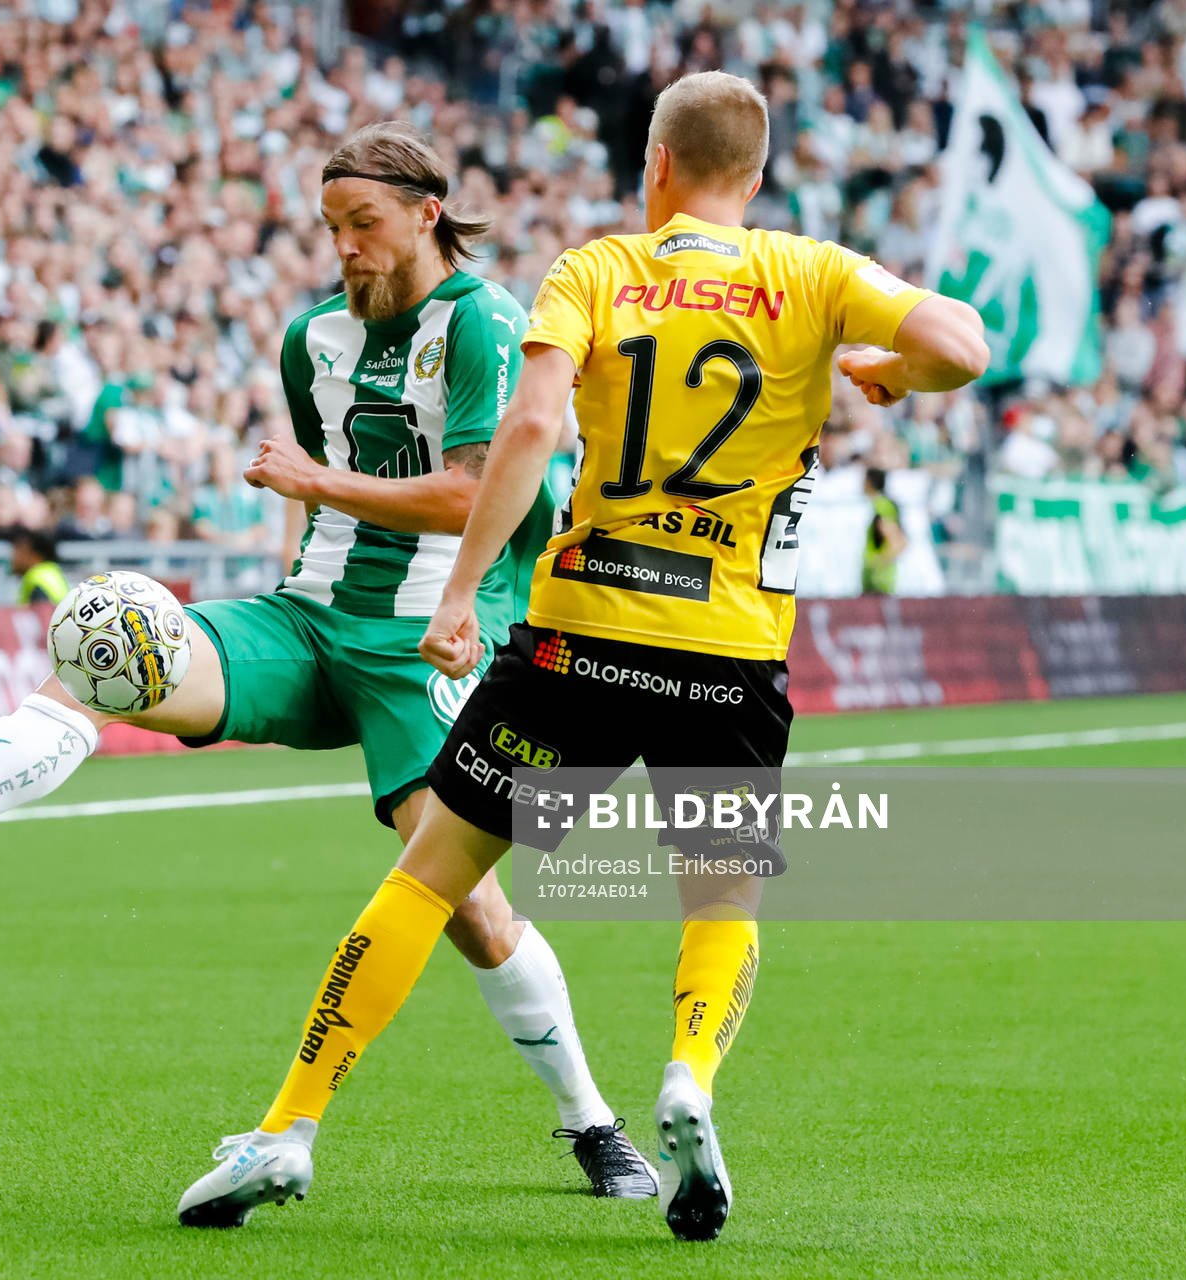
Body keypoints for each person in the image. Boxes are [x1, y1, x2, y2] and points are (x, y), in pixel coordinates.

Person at [0, 123, 653, 1201]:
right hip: (304, 620)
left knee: (466, 906)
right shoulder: (309, 335)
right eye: (331, 228)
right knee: (107, 640)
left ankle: (590, 1118)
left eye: (363, 224)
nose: (345, 248)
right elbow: (312, 496)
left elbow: (471, 490)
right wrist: (297, 543)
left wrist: (318, 487)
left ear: (426, 211)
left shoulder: (487, 323)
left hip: (430, 642)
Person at [169, 72, 989, 1237]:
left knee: (430, 876)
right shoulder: (813, 271)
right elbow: (963, 342)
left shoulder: (599, 270)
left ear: (654, 164)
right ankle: (689, 1078)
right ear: (753, 178)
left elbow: (532, 426)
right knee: (722, 894)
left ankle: (288, 1126)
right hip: (731, 652)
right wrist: (890, 371)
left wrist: (458, 596)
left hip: (582, 636)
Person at [861, 465, 904, 594]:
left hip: (879, 582)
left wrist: (876, 563)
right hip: (875, 580)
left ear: (869, 482)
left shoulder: (881, 506)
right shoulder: (877, 504)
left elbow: (898, 542)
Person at [11, 526, 69, 605]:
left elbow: (44, 614)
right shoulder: (52, 572)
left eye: (18, 549)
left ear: (31, 552)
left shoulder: (36, 579)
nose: (13, 557)